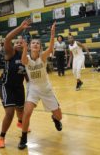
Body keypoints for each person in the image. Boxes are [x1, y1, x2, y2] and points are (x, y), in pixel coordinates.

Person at [18, 22, 63, 150]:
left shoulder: (43, 57)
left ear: (40, 47)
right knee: (27, 113)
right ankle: (24, 138)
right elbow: (23, 61)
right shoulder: (26, 58)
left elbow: (51, 47)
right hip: (33, 88)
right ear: (30, 46)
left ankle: (55, 119)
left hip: (46, 88)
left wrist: (53, 33)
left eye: (37, 43)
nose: (35, 44)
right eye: (33, 43)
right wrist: (25, 47)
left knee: (59, 116)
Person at [0, 19, 31, 148]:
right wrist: (21, 27)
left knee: (20, 109)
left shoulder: (26, 58)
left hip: (18, 86)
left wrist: (30, 85)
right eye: (16, 42)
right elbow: (7, 39)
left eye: (20, 42)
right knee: (10, 112)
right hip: (6, 85)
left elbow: (26, 74)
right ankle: (1, 137)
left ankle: (20, 122)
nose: (18, 44)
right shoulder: (10, 53)